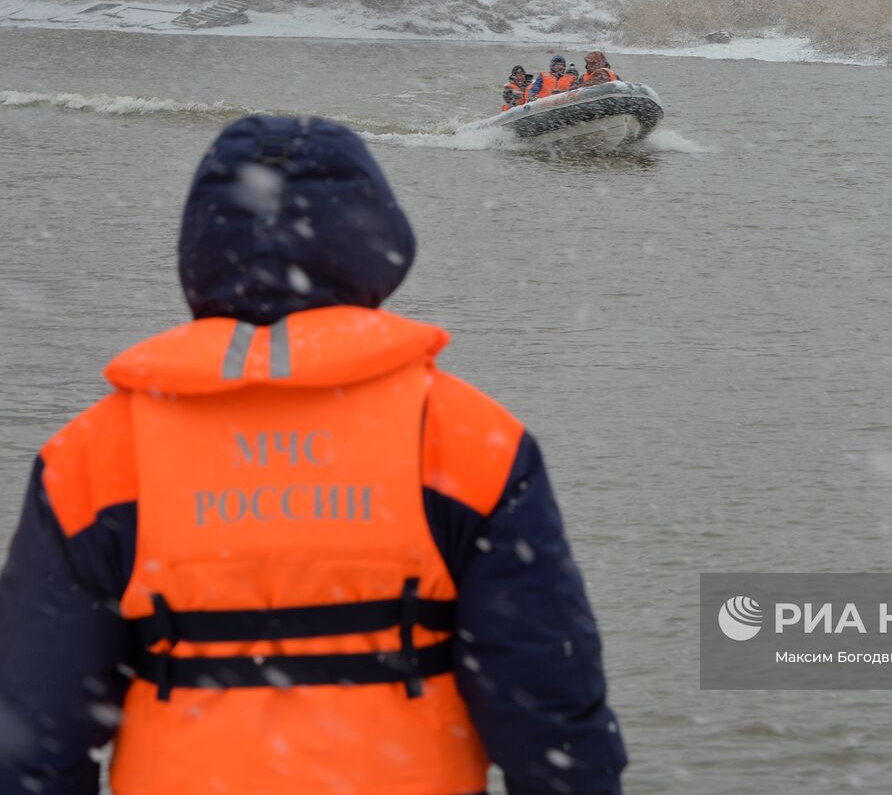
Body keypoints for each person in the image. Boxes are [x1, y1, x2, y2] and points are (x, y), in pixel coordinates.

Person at [0, 115, 627, 795]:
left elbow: (32, 732)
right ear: (380, 242)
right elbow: (552, 713)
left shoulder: (90, 457)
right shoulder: (474, 440)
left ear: (199, 248)